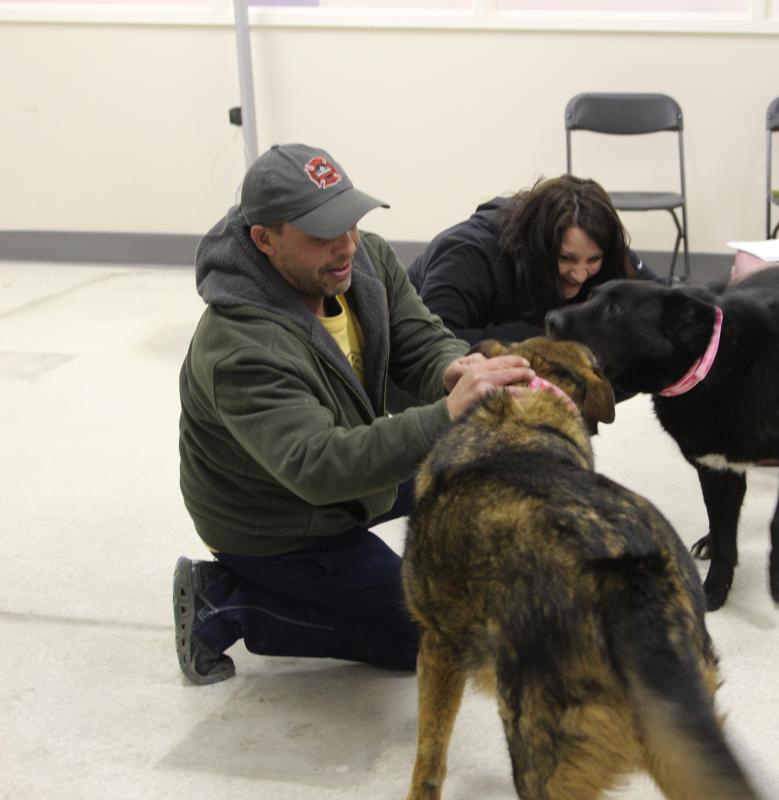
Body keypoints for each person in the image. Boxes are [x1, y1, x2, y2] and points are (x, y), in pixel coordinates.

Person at [174, 143, 535, 685]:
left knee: (492, 464)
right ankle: (227, 601)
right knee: (432, 639)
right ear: (264, 240)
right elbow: (320, 467)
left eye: (350, 222)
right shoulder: (241, 349)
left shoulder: (361, 261)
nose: (346, 246)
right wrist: (446, 416)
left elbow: (418, 336)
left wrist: (454, 371)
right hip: (278, 525)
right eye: (322, 234)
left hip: (348, 480)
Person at [407, 174, 660, 346]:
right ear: (538, 245)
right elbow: (431, 344)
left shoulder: (598, 248)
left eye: (593, 260)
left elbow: (660, 298)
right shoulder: (469, 254)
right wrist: (541, 334)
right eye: (566, 258)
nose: (580, 274)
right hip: (417, 382)